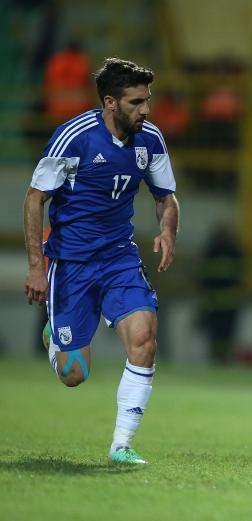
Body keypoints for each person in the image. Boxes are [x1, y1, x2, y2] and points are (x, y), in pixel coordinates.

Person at [23, 58, 180, 464]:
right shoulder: (74, 137)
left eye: (147, 100)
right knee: (74, 375)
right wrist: (37, 267)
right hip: (70, 262)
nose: (145, 110)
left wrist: (167, 229)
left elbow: (166, 197)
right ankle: (55, 337)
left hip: (119, 258)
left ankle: (121, 445)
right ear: (110, 102)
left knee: (145, 340)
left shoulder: (151, 140)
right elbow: (34, 198)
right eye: (135, 102)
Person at [196, 222, 244, 364]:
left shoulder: (213, 252)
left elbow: (203, 278)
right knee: (219, 334)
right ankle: (219, 359)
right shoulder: (234, 252)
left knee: (224, 334)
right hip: (220, 302)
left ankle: (222, 359)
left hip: (223, 302)